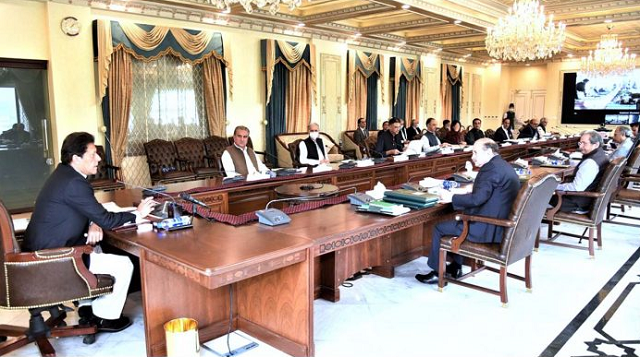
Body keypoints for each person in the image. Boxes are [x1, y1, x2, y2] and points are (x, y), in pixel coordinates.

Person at [24, 132, 157, 332]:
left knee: (97, 249)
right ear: (76, 158)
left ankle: (87, 309)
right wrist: (137, 214)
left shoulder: (63, 174)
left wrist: (92, 223)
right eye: (93, 154)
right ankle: (105, 317)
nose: (99, 158)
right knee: (124, 264)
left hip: (40, 253)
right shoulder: (74, 183)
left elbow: (84, 211)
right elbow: (107, 219)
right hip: (53, 260)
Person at [415, 138, 520, 284]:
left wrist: (451, 197)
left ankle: (438, 272)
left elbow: (477, 200)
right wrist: (466, 190)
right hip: (500, 224)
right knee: (457, 220)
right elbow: (488, 191)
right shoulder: (502, 165)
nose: (472, 157)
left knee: (439, 227)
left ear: (489, 152)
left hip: (486, 227)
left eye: (476, 153)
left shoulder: (490, 170)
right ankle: (456, 267)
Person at [550, 130, 608, 213]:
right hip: (586, 199)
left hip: (577, 202)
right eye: (580, 143)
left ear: (596, 144)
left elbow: (576, 188)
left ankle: (533, 222)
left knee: (538, 196)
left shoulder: (590, 163)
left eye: (584, 143)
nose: (580, 147)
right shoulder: (601, 155)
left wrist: (553, 187)